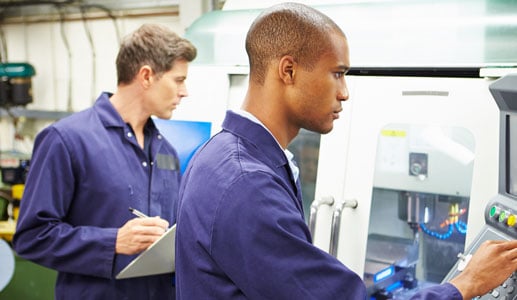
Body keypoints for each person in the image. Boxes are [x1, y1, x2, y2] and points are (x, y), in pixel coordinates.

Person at [175, 3, 517, 300]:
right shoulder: (247, 184)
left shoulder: (218, 154)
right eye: (337, 74)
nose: (345, 93)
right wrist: (465, 284)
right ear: (288, 71)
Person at [13, 23, 196, 299]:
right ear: (146, 76)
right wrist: (113, 242)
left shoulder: (165, 152)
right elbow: (32, 237)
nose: (185, 92)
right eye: (179, 80)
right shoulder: (66, 140)